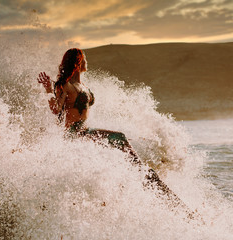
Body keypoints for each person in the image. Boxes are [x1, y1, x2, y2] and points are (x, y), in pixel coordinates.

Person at [37, 48, 200, 220]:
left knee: (120, 141)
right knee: (119, 137)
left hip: (84, 131)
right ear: (78, 62)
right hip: (75, 134)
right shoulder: (65, 85)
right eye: (84, 58)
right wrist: (48, 89)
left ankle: (135, 177)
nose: (87, 61)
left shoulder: (82, 85)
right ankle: (142, 171)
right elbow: (55, 110)